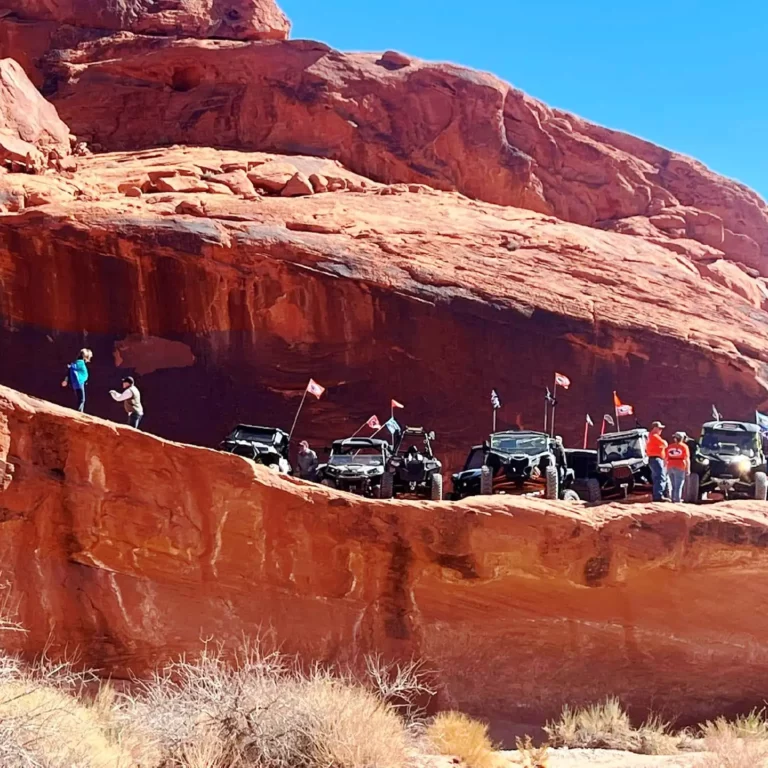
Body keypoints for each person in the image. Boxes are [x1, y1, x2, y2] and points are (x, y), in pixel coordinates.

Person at [647, 421, 669, 502]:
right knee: (660, 476)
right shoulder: (654, 436)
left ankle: (658, 495)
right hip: (656, 459)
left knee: (657, 477)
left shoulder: (651, 436)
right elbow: (665, 443)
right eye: (659, 428)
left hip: (654, 459)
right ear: (655, 428)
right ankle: (658, 496)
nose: (661, 430)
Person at [666, 432, 691, 503]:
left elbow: (666, 457)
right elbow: (687, 458)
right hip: (680, 466)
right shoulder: (684, 447)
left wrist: (665, 467)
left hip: (670, 465)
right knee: (679, 484)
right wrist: (688, 469)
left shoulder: (670, 446)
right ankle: (677, 500)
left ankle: (673, 498)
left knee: (673, 484)